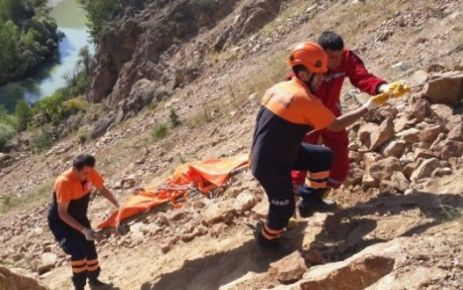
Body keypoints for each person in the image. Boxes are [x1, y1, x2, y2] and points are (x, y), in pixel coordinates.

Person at [251, 41, 407, 248]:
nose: (323, 78)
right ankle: (266, 241)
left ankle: (310, 200)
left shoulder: (280, 88)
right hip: (270, 166)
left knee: (322, 156)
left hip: (278, 152)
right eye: (320, 74)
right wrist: (368, 106)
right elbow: (335, 125)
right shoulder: (303, 98)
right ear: (305, 74)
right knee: (283, 211)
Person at [291, 31, 403, 215]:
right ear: (321, 54)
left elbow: (361, 77)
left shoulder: (346, 58)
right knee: (296, 171)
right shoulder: (304, 68)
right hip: (305, 121)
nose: (336, 62)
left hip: (332, 116)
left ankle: (313, 200)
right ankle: (286, 214)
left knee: (339, 164)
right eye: (332, 58)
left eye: (339, 56)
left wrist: (384, 88)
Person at [47, 154, 120, 290]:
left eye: (90, 171)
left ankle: (94, 281)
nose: (88, 175)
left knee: (90, 249)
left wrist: (118, 204)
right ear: (75, 169)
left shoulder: (90, 173)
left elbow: (102, 189)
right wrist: (83, 230)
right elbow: (62, 213)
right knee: (78, 253)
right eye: (85, 173)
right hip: (61, 221)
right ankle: (79, 287)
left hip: (79, 216)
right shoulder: (64, 182)